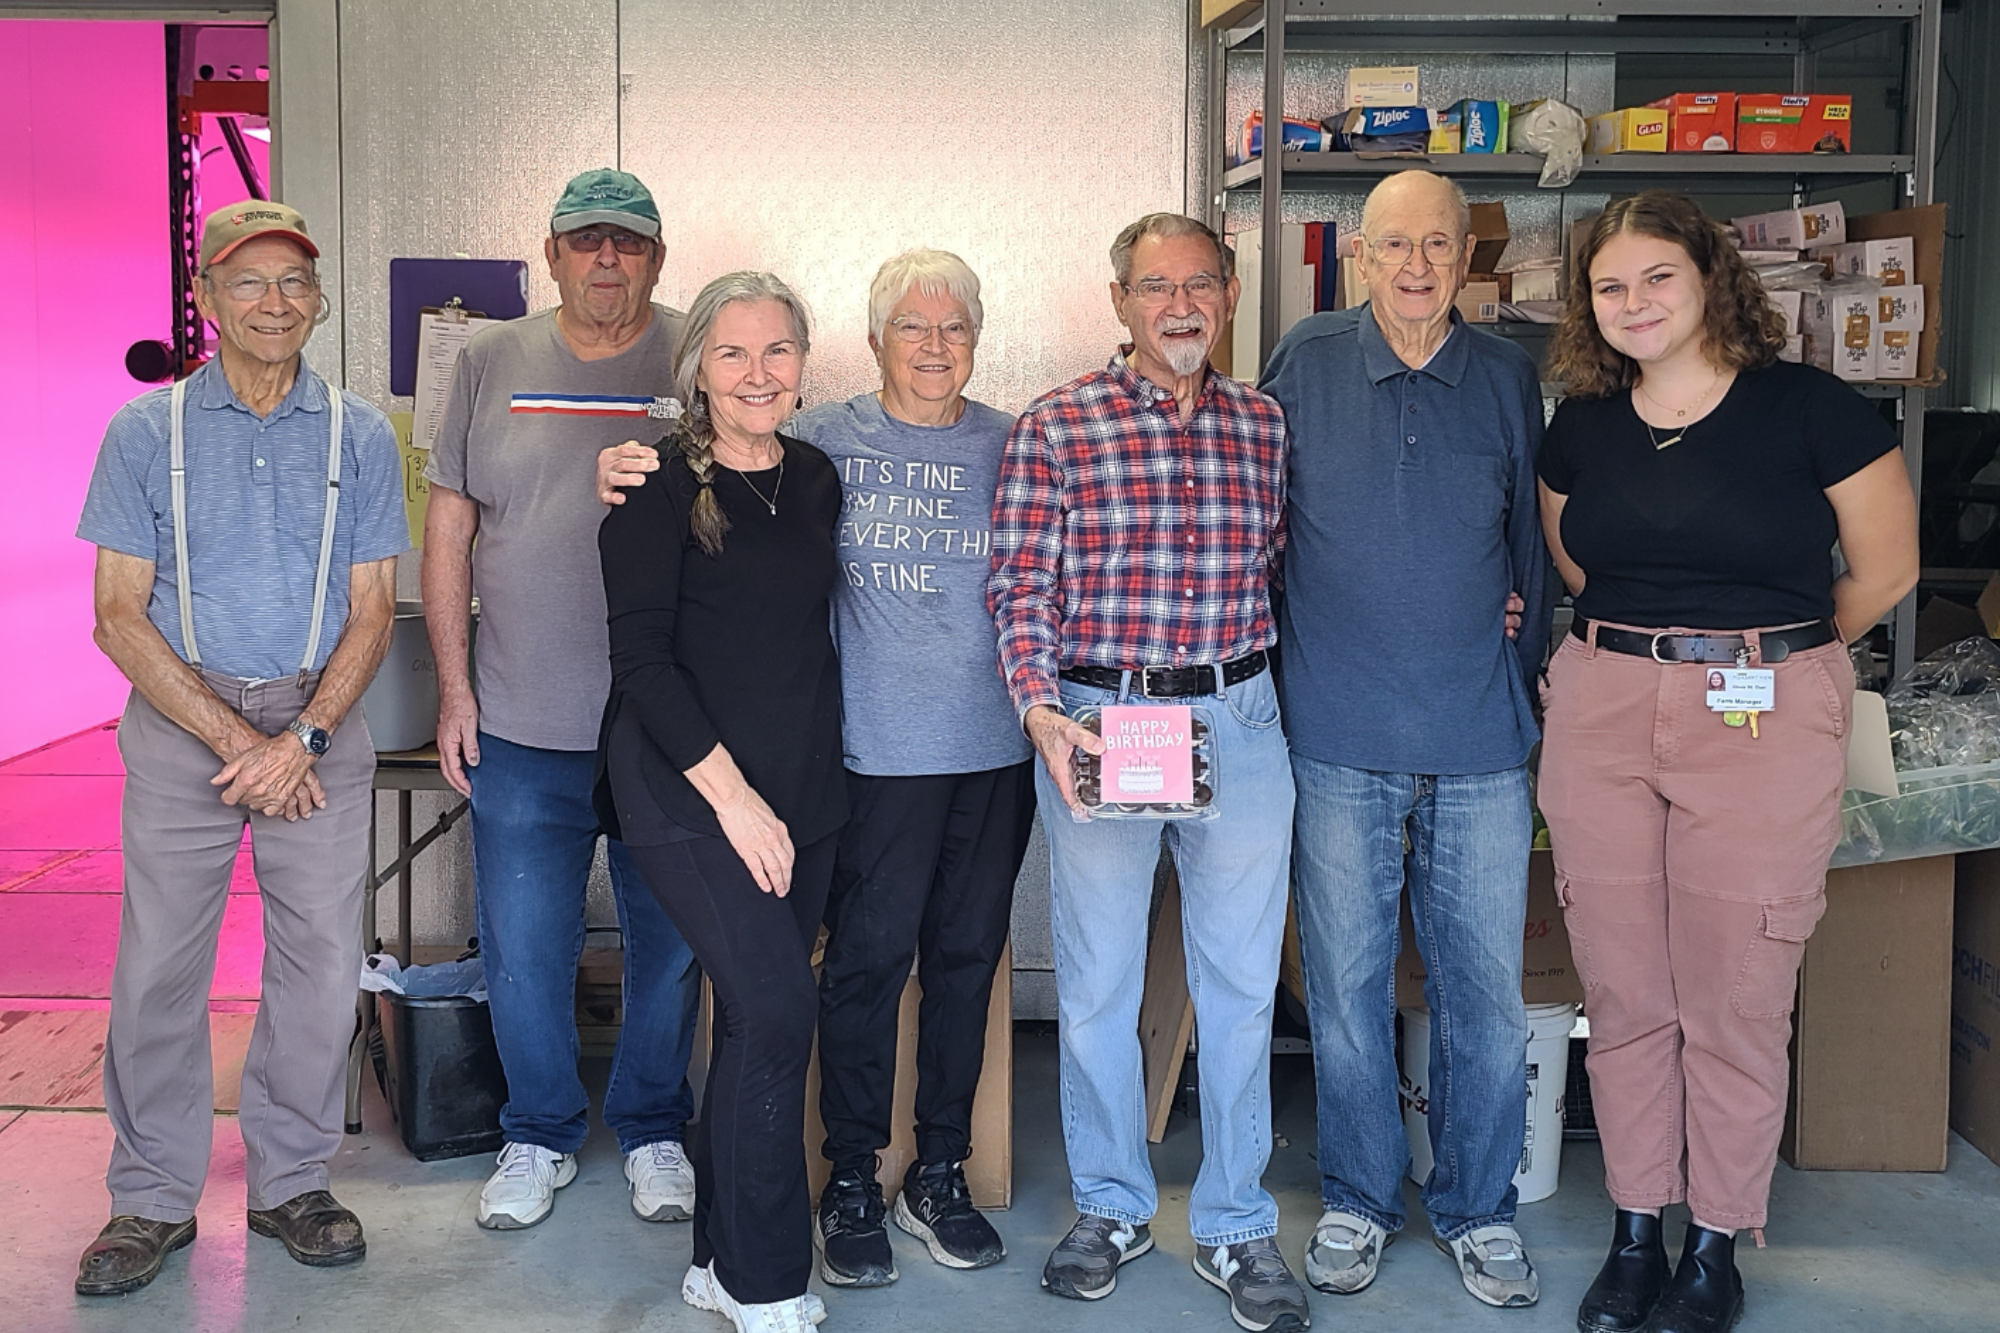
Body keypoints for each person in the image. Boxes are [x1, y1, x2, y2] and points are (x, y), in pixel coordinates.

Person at [598, 249, 1034, 1288]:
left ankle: (936, 1172)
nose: (934, 346)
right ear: (873, 340)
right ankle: (847, 1180)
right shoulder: (810, 442)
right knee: (858, 971)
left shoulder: (998, 447)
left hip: (967, 757)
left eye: (954, 326)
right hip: (858, 761)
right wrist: (615, 466)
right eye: (912, 327)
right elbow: (652, 619)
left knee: (962, 964)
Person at [1536, 191, 1917, 1333]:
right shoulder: (1582, 423)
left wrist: (1774, 657)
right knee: (1620, 988)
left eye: (1656, 276)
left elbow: (1886, 567)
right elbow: (1574, 563)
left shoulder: (1810, 409)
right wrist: (1653, 665)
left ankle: (1715, 1240)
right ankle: (1634, 1228)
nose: (1633, 302)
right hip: (1604, 701)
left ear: (1709, 279)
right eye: (1609, 285)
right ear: (1587, 306)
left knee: (1734, 991)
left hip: (1759, 707)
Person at [73, 202, 407, 1293]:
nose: (274, 302)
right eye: (248, 281)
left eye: (294, 283)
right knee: (159, 967)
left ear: (318, 300)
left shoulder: (357, 433)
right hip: (187, 727)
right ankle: (152, 1196)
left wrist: (302, 737)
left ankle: (292, 1181)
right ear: (208, 298)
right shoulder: (145, 432)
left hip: (317, 719)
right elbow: (118, 613)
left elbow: (372, 609)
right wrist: (239, 742)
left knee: (317, 965)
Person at [987, 214, 1311, 1333]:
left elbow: (1294, 569)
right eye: (1154, 286)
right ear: (1117, 300)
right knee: (1097, 986)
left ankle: (1232, 1220)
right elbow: (1019, 583)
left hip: (1240, 712)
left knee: (1235, 988)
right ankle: (1112, 1204)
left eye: (1200, 285)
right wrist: (1039, 706)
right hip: (1100, 718)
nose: (1179, 305)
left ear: (1227, 295)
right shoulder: (1056, 426)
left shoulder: (1265, 425)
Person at [1257, 169, 1551, 1311]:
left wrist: (1512, 671)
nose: (1417, 265)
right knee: (1344, 984)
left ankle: (1478, 1209)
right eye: (1395, 245)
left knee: (1480, 989)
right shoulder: (1303, 362)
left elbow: (1529, 550)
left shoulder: (1507, 379)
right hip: (1333, 732)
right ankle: (1357, 1197)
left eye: (1440, 244)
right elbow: (1262, 527)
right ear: (1360, 258)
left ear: (1469, 257)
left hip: (1479, 738)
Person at [422, 168, 700, 1233]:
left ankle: (652, 1126)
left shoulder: (698, 353)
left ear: (656, 260)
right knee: (522, 945)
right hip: (521, 719)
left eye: (627, 244)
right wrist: (454, 687)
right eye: (585, 241)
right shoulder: (490, 363)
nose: (605, 260)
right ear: (550, 253)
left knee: (668, 944)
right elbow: (448, 533)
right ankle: (535, 1133)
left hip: (663, 726)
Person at [596, 271, 843, 1333]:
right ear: (697, 364)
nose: (757, 373)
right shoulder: (647, 484)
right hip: (687, 787)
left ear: (802, 362)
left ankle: (712, 1262)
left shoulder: (819, 475)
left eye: (777, 350)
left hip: (801, 787)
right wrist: (736, 798)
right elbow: (641, 664)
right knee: (779, 1013)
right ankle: (765, 1280)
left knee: (752, 1020)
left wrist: (798, 796)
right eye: (734, 353)